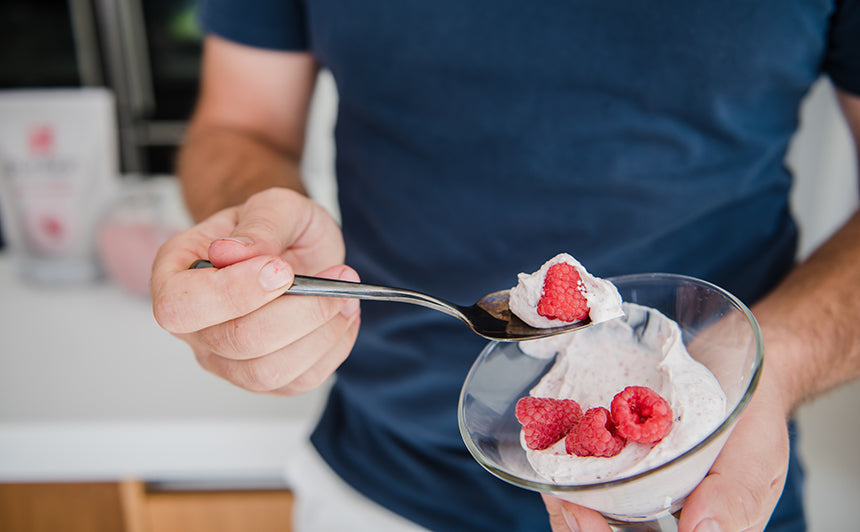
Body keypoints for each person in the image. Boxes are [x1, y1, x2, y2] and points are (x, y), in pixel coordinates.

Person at [150, 2, 860, 531]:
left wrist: (782, 362)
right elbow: (240, 124)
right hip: (383, 484)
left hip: (705, 473)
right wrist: (257, 236)